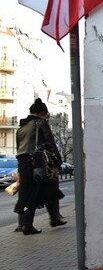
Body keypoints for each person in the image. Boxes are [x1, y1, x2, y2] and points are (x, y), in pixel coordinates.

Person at [15, 98, 66, 235]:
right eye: (46, 115)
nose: (47, 117)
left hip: (23, 161)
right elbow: (50, 143)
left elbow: (19, 147)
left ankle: (52, 219)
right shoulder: (40, 123)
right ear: (42, 113)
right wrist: (58, 161)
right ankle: (28, 226)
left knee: (33, 191)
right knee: (44, 188)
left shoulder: (21, 128)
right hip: (37, 161)